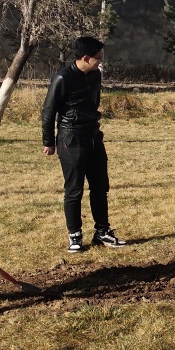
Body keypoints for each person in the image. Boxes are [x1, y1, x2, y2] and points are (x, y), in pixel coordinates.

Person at [42, 36, 128, 253]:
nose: (101, 61)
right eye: (98, 58)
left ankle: (102, 231)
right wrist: (49, 141)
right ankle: (75, 236)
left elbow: (94, 102)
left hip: (93, 136)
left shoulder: (96, 75)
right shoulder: (62, 78)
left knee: (100, 186)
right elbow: (48, 111)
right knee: (74, 189)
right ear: (86, 58)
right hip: (71, 138)